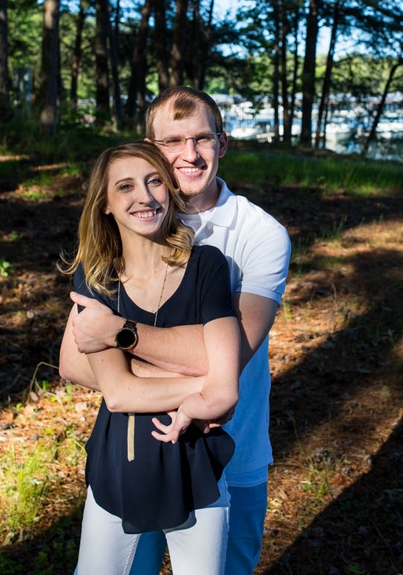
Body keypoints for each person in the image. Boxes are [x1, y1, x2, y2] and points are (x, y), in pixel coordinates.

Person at [59, 87, 292, 575]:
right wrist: (139, 379)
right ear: (151, 147)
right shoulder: (127, 228)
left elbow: (226, 361)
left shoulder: (258, 234)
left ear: (222, 145)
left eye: (203, 139)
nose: (189, 154)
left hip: (230, 446)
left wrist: (120, 337)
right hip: (137, 451)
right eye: (173, 141)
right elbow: (76, 361)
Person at [64, 142, 241, 574]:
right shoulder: (97, 276)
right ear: (105, 204)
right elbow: (120, 395)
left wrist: (220, 384)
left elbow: (227, 389)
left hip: (194, 463)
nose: (144, 196)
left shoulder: (208, 266)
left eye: (154, 180)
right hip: (117, 467)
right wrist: (207, 385)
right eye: (125, 187)